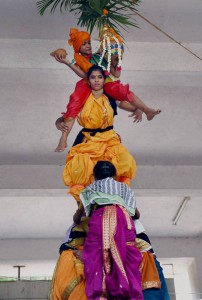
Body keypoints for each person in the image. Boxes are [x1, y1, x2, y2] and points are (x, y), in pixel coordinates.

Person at [51, 27, 161, 152]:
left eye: (88, 43)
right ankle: (63, 138)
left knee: (121, 92)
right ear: (78, 48)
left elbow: (115, 69)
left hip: (106, 90)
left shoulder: (100, 56)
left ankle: (145, 109)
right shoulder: (80, 61)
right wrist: (66, 61)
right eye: (84, 44)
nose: (88, 46)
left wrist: (113, 51)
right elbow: (83, 75)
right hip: (87, 91)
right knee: (74, 104)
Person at [62, 65, 137, 203]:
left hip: (109, 138)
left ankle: (118, 201)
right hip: (88, 140)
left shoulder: (110, 97)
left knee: (122, 163)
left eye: (99, 77)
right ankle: (84, 206)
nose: (96, 80)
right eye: (93, 77)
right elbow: (70, 116)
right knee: (82, 169)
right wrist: (64, 138)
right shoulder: (82, 97)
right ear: (88, 80)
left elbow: (127, 103)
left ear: (104, 79)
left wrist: (139, 109)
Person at [77, 160, 143, 300]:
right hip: (123, 219)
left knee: (94, 253)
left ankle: (99, 295)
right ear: (115, 175)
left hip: (100, 218)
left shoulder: (91, 187)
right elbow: (136, 214)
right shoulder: (125, 188)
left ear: (94, 176)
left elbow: (79, 214)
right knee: (128, 251)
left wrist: (77, 218)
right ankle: (129, 293)